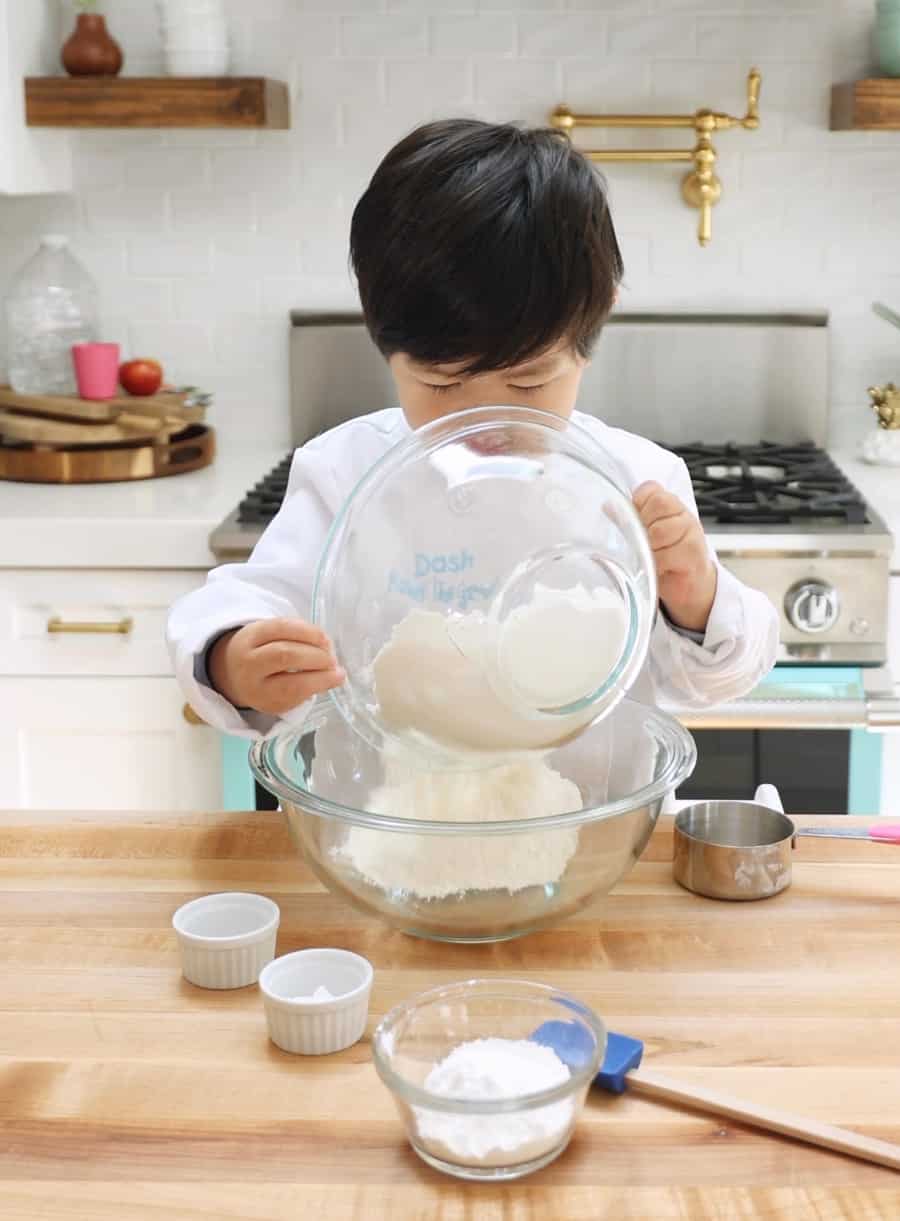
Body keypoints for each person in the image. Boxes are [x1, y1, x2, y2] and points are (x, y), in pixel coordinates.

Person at [167, 119, 778, 738]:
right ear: (382, 344)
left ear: (595, 329)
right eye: (441, 383)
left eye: (527, 383)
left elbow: (717, 680)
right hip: (402, 816)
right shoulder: (345, 473)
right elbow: (239, 605)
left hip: (589, 816)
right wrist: (233, 660)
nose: (484, 417)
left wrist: (695, 599)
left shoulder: (639, 482)